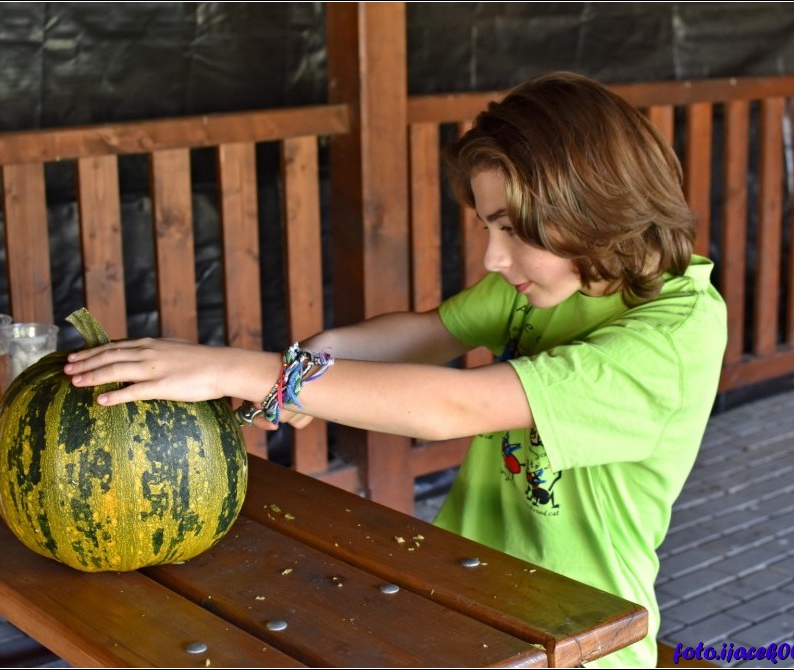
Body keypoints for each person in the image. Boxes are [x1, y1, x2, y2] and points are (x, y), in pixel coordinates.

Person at [64, 71, 727, 668]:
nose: (494, 259)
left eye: (512, 229)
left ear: (594, 204)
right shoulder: (565, 277)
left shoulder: (672, 340)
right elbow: (428, 331)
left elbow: (460, 406)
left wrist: (252, 372)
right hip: (468, 602)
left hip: (580, 645)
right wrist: (312, 358)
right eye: (485, 228)